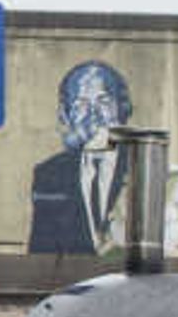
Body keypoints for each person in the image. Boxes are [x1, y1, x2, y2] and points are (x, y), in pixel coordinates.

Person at [24, 60, 134, 257]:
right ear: (65, 116)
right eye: (81, 104)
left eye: (104, 102)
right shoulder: (49, 175)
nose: (93, 115)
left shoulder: (141, 167)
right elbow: (40, 257)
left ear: (123, 109)